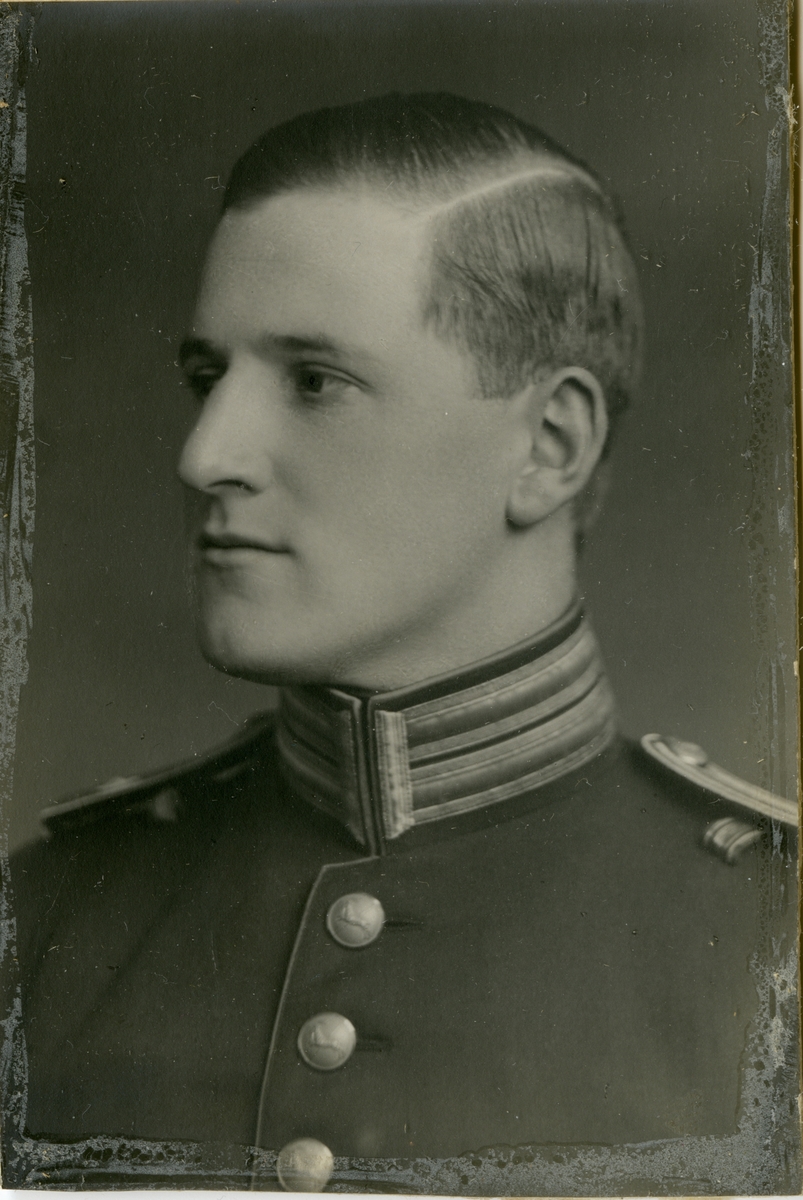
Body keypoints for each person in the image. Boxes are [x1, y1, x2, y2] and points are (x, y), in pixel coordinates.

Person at [3, 93, 798, 1194]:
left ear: (549, 446)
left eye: (314, 382)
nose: (204, 454)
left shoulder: (770, 950)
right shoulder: (45, 922)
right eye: (206, 379)